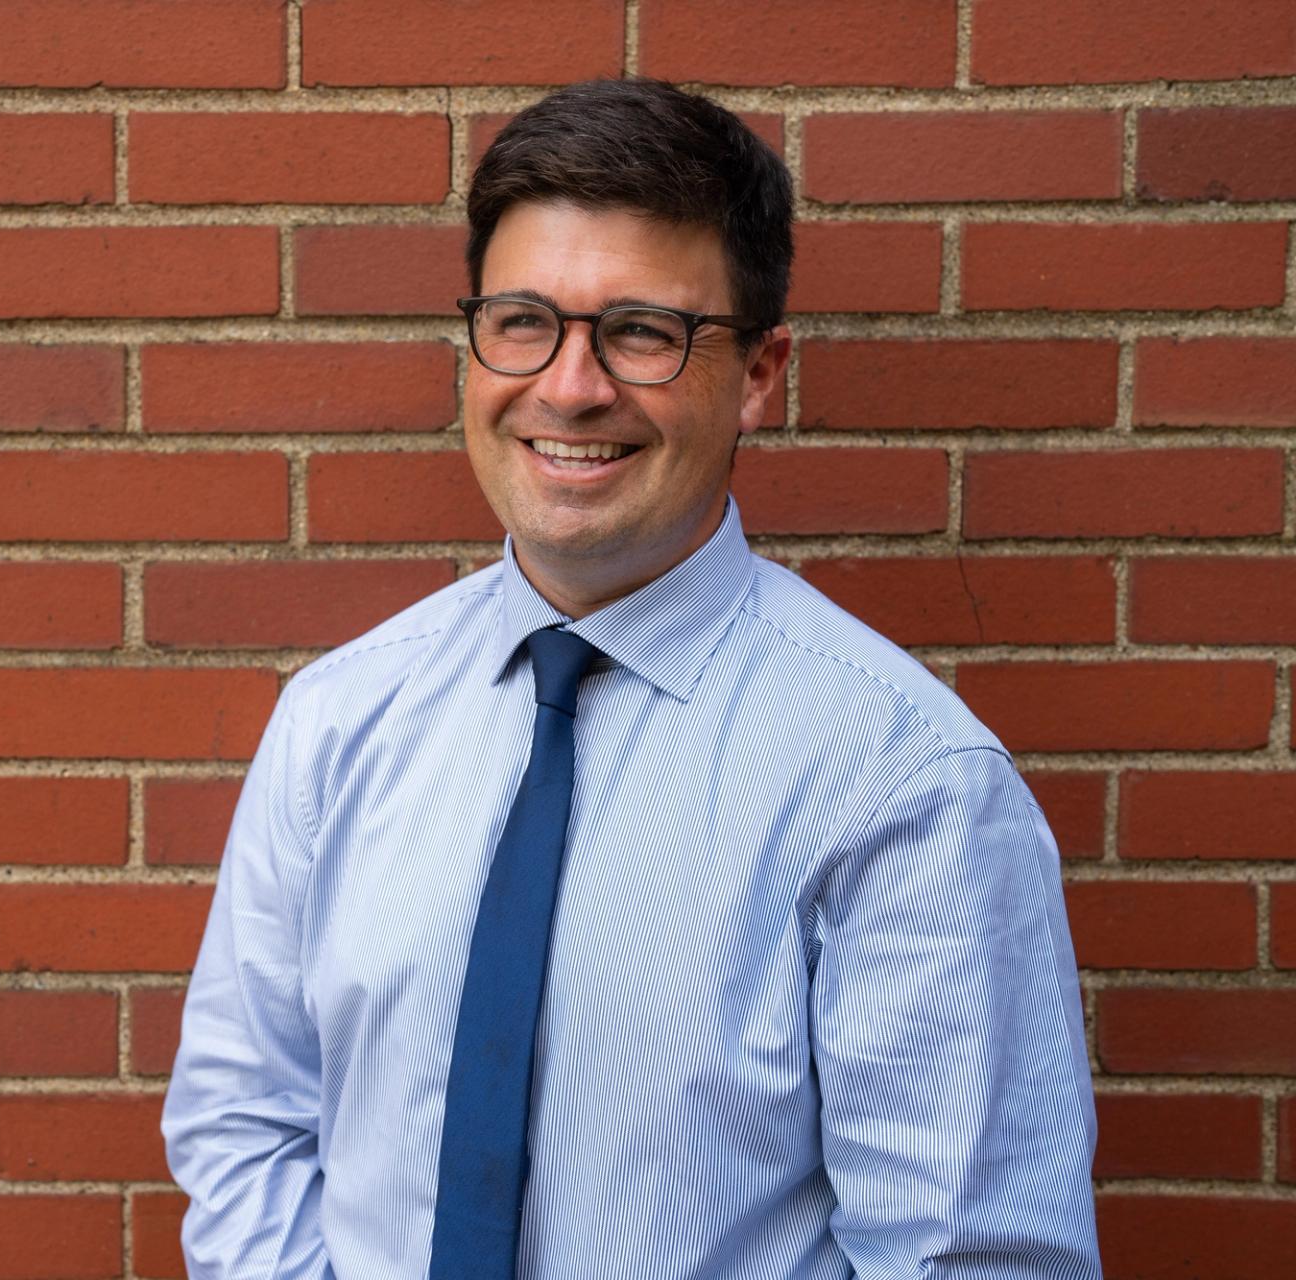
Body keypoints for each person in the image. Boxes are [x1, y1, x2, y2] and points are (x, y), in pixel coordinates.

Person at [162, 77, 1101, 1280]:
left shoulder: (900, 780)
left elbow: (970, 1260)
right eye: (522, 321)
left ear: (760, 374)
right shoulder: (340, 719)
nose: (569, 386)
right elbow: (248, 1123)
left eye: (643, 332)